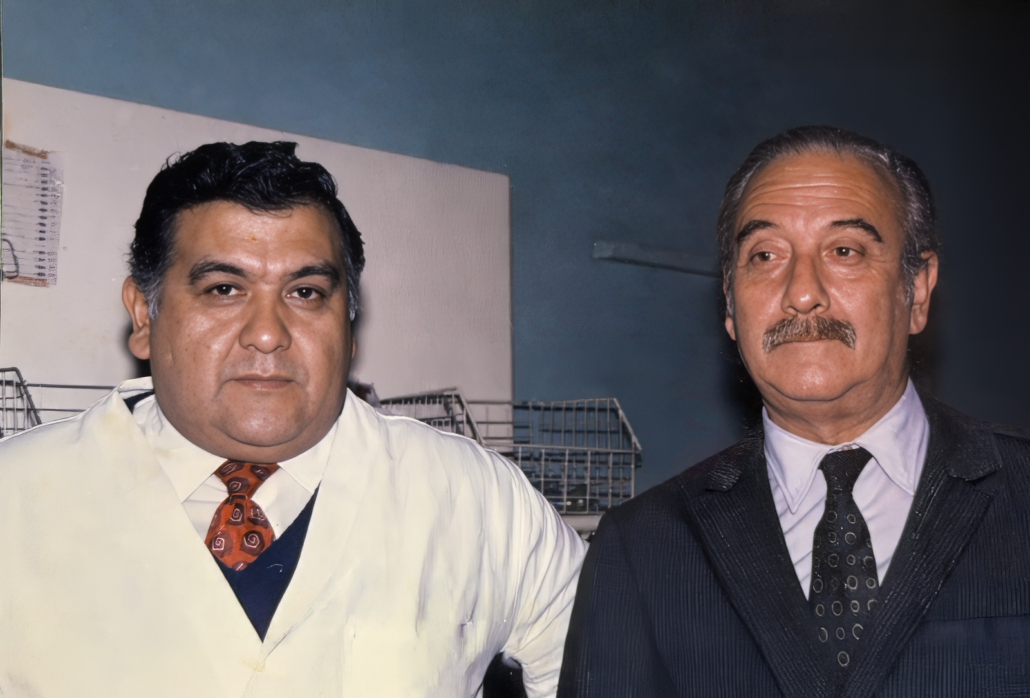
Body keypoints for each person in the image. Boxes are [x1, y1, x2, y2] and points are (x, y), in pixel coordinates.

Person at [0, 141, 586, 697]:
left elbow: (607, 670)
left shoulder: (482, 500)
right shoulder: (16, 496)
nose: (267, 334)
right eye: (224, 289)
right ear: (144, 316)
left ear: (349, 324)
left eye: (305, 292)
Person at [558, 125, 1030, 697]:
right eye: (765, 255)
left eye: (845, 251)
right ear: (730, 304)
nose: (802, 293)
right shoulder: (643, 548)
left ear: (918, 291)